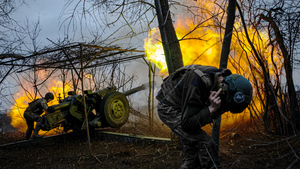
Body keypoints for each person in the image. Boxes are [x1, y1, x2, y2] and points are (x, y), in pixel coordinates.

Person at [156, 64, 253, 169]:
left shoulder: (223, 82)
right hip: (169, 107)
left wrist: (211, 110)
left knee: (193, 155)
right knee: (206, 144)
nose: (225, 108)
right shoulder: (197, 83)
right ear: (224, 90)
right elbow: (187, 124)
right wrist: (210, 109)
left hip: (186, 109)